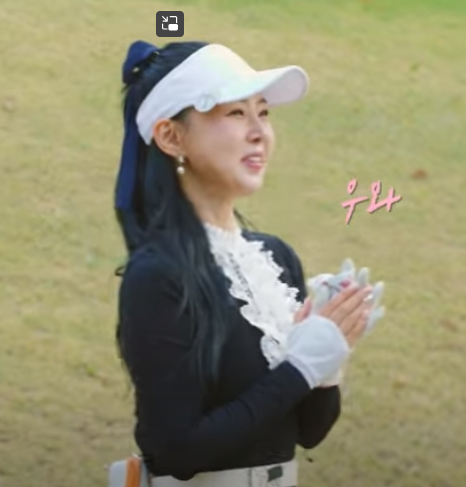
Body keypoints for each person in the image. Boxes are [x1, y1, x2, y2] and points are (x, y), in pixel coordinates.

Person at [109, 40, 384, 487]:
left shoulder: (276, 257)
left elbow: (308, 431)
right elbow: (176, 450)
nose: (259, 132)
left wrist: (331, 353)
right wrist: (300, 367)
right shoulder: (157, 274)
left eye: (264, 113)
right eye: (236, 113)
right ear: (171, 137)